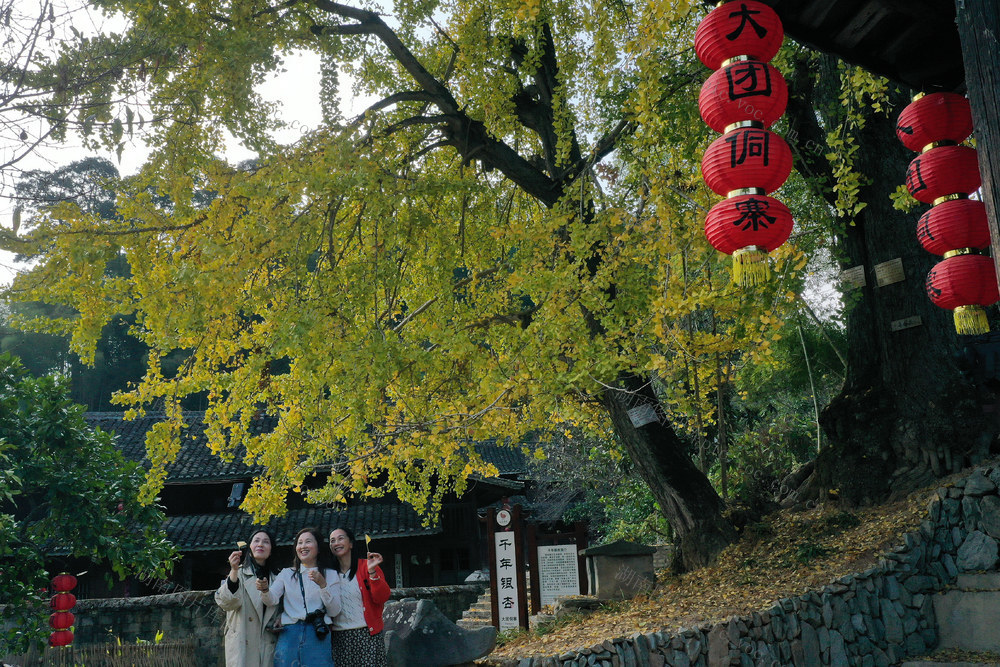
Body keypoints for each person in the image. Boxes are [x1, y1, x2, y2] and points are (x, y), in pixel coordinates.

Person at [261, 527, 341, 667]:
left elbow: (334, 611)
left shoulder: (331, 574)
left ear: (318, 547)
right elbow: (271, 599)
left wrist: (323, 585)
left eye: (308, 542)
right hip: (290, 632)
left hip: (318, 633)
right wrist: (265, 590)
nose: (303, 546)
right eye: (299, 542)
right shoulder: (286, 574)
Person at [214, 527, 280, 667]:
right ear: (249, 547)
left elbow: (283, 608)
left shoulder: (278, 578)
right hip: (243, 644)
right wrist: (233, 570)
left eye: (266, 542)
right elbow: (226, 603)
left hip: (268, 645)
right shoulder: (239, 573)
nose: (260, 544)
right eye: (256, 541)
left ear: (271, 548)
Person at [328, 527, 391, 666]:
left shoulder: (366, 566)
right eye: (332, 541)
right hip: (339, 636)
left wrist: (372, 572)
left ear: (350, 543)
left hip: (367, 634)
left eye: (340, 538)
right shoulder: (328, 573)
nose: (336, 543)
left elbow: (381, 597)